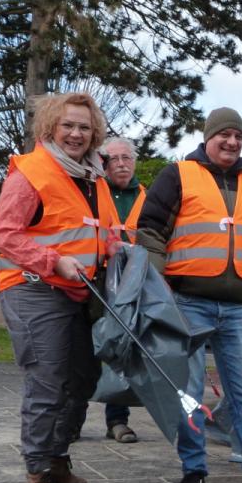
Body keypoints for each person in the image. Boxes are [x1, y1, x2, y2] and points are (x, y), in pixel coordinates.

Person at [137, 106, 242, 483]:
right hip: (186, 304)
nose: (231, 142)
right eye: (224, 135)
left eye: (238, 137)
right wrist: (154, 293)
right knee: (189, 393)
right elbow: (151, 234)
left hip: (235, 310)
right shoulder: (177, 175)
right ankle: (194, 470)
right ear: (208, 136)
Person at [0, 92, 119, 483]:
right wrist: (52, 261)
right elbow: (3, 233)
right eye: (68, 125)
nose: (77, 133)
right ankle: (37, 477)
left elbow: (107, 233)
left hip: (78, 293)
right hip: (33, 287)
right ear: (50, 128)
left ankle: (58, 459)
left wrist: (120, 250)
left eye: (84, 126)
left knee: (82, 378)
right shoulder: (33, 171)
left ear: (94, 132)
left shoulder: (93, 177)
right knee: (49, 379)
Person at [68, 137, 146, 444]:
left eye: (127, 158)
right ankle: (73, 420)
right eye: (113, 159)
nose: (121, 163)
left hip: (128, 284)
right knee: (83, 353)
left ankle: (117, 421)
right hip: (92, 279)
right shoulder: (92, 191)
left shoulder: (147, 197)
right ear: (103, 163)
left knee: (120, 352)